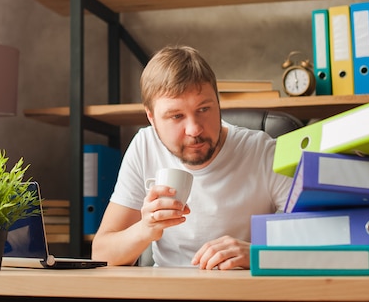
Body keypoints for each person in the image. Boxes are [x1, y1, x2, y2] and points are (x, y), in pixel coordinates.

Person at [91, 45, 293, 270]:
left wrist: (257, 254)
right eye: (176, 116)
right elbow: (101, 254)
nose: (194, 129)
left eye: (204, 109)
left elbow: (327, 241)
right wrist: (144, 229)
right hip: (166, 293)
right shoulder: (144, 146)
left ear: (218, 103)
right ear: (151, 117)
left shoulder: (262, 151)